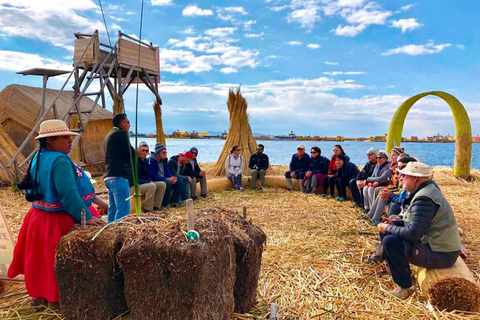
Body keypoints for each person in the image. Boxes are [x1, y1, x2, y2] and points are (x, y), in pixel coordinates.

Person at [8, 120, 105, 307]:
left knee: (40, 260)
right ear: (51, 141)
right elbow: (68, 194)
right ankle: (56, 300)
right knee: (55, 261)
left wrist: (96, 202)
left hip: (36, 217)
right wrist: (86, 216)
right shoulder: (60, 160)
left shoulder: (39, 155)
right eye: (65, 137)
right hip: (56, 220)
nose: (70, 141)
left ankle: (40, 297)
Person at [377, 162, 461, 299]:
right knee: (387, 233)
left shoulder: (424, 198)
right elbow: (418, 223)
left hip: (442, 253)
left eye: (404, 175)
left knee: (390, 241)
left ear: (415, 178)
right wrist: (395, 223)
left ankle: (405, 287)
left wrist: (389, 227)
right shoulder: (424, 191)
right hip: (435, 245)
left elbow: (414, 233)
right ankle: (398, 271)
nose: (401, 178)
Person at [104, 113, 135, 222]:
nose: (129, 125)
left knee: (113, 209)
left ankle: (109, 231)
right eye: (128, 123)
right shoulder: (121, 134)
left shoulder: (109, 135)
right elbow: (130, 154)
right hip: (118, 176)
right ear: (122, 123)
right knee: (123, 210)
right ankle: (118, 233)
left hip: (109, 176)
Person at [367, 157, 417, 225]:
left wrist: (391, 195)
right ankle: (370, 215)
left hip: (398, 193)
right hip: (398, 193)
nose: (400, 176)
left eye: (402, 169)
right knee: (382, 192)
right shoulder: (391, 168)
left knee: (392, 204)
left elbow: (405, 198)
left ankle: (376, 219)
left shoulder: (416, 188)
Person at [129, 141, 166, 212]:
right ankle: (148, 210)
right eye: (143, 150)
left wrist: (149, 180)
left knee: (162, 184)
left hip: (143, 183)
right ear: (138, 150)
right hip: (133, 186)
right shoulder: (134, 161)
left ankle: (156, 207)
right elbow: (133, 179)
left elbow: (148, 174)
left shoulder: (146, 161)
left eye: (146, 151)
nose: (144, 152)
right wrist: (148, 181)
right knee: (151, 186)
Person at [148, 143, 182, 207]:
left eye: (166, 153)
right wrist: (166, 179)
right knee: (168, 183)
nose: (165, 154)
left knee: (179, 182)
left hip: (163, 178)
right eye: (163, 153)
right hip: (156, 179)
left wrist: (172, 177)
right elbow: (153, 175)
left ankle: (174, 202)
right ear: (158, 153)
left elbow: (167, 171)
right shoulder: (151, 161)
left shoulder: (164, 160)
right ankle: (165, 204)